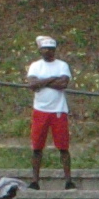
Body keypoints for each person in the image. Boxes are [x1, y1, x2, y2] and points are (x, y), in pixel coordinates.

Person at [25, 35, 76, 190]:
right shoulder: (35, 66)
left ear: (54, 50)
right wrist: (51, 79)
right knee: (37, 147)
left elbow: (63, 83)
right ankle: (35, 180)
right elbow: (32, 84)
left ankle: (68, 180)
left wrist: (42, 82)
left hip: (58, 109)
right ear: (40, 50)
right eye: (45, 49)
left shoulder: (62, 65)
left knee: (63, 146)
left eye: (50, 49)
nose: (47, 51)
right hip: (40, 109)